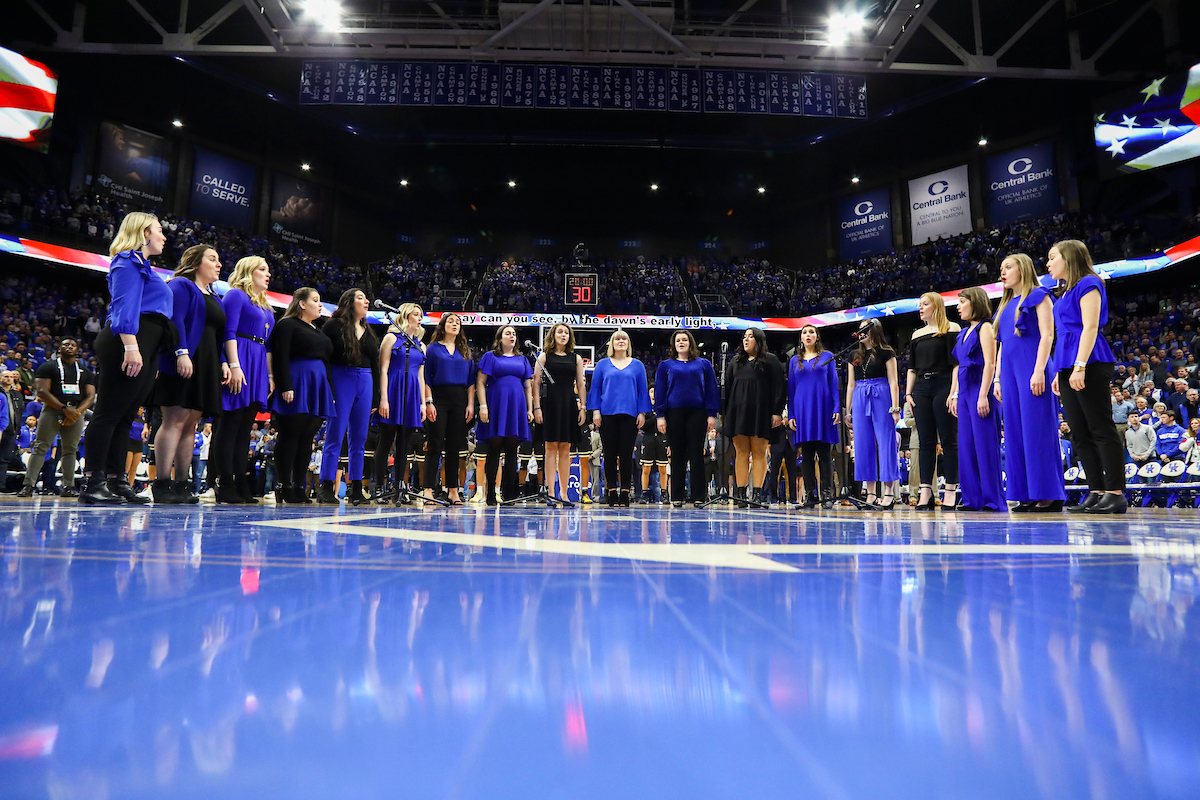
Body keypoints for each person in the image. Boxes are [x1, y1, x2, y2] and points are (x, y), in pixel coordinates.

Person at [80, 212, 172, 505]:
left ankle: (116, 480)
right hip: (128, 340)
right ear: (144, 232)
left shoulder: (143, 265)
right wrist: (132, 347)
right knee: (108, 413)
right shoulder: (127, 261)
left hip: (144, 342)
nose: (164, 236)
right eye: (159, 230)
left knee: (125, 417)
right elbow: (123, 306)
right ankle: (92, 481)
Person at [1049, 240, 1127, 514]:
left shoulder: (1088, 283)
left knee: (1100, 427)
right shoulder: (1063, 292)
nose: (1048, 264)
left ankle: (1115, 492)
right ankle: (1096, 491)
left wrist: (1080, 365)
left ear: (1068, 259)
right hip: (1067, 363)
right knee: (1079, 432)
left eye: (1052, 258)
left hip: (1089, 360)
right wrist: (1060, 371)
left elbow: (1090, 325)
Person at [150, 245, 225, 504]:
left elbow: (219, 335)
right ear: (195, 263)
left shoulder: (214, 296)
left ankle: (182, 485)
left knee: (191, 424)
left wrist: (224, 362)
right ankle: (161, 484)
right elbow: (175, 319)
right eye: (212, 259)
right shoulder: (181, 285)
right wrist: (181, 352)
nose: (218, 264)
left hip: (206, 363)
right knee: (174, 420)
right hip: (183, 359)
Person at [993, 253, 1066, 512]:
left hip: (1033, 367)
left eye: (1008, 267)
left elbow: (1048, 335)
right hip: (1010, 373)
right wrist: (998, 378)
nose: (1002, 271)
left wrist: (1038, 371)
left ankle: (1047, 494)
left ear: (1022, 269)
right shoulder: (1004, 305)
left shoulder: (1039, 295)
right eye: (1001, 268)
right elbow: (1002, 345)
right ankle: (1024, 492)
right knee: (1014, 432)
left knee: (1038, 431)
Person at [213, 256, 274, 504]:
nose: (267, 274)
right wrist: (233, 365)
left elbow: (268, 344)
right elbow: (227, 332)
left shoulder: (266, 306)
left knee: (244, 430)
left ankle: (241, 484)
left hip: (258, 362)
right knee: (230, 426)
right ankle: (223, 483)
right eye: (262, 269)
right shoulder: (235, 295)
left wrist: (269, 375)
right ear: (248, 271)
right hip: (241, 358)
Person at [269, 288, 335, 504]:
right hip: (297, 382)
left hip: (317, 384)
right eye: (315, 300)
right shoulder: (287, 325)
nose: (320, 304)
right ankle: (283, 485)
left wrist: (331, 391)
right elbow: (281, 355)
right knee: (290, 435)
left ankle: (299, 486)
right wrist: (285, 385)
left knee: (307, 438)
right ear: (302, 304)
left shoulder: (319, 330)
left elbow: (326, 362)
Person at [318, 289, 377, 505]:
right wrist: (329, 387)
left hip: (366, 380)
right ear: (348, 302)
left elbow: (376, 364)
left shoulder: (368, 330)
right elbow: (325, 357)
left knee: (359, 438)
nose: (366, 301)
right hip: (341, 378)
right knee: (335, 434)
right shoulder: (333, 326)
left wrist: (377, 397)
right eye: (360, 297)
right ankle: (325, 486)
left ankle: (356, 488)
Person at [15, 338, 94, 498]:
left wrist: (77, 412)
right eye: (65, 344)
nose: (69, 346)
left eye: (73, 345)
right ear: (59, 348)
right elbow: (42, 392)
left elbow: (91, 396)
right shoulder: (48, 366)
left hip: (76, 411)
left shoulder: (84, 370)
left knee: (70, 450)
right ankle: (28, 485)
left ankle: (69, 487)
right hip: (52, 410)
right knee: (40, 447)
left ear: (77, 349)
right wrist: (65, 409)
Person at [949, 287, 1004, 511]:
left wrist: (984, 394)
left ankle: (992, 500)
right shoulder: (962, 333)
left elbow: (990, 363)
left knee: (985, 446)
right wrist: (954, 394)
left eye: (962, 302)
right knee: (966, 446)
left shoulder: (986, 327)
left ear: (975, 302)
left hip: (980, 390)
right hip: (964, 393)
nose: (958, 306)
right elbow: (957, 366)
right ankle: (972, 499)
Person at [905, 292, 960, 510]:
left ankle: (950, 490)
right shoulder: (916, 334)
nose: (921, 308)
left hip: (943, 385)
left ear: (936, 306)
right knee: (925, 441)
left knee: (948, 439)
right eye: (920, 305)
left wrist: (953, 392)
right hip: (921, 388)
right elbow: (911, 367)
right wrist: (908, 394)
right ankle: (925, 490)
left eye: (925, 304)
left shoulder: (951, 328)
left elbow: (955, 365)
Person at [654, 329, 720, 507]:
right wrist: (660, 415)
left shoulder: (704, 364)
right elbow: (659, 391)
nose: (681, 342)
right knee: (677, 455)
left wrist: (711, 414)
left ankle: (699, 496)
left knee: (697, 453)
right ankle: (676, 496)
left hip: (697, 413)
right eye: (678, 340)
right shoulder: (665, 366)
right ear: (674, 345)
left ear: (690, 342)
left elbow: (712, 390)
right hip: (674, 413)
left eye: (684, 339)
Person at [587, 329, 652, 507]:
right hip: (607, 414)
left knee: (625, 454)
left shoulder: (637, 365)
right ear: (612, 343)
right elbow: (596, 389)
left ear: (628, 343)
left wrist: (642, 412)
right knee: (609, 454)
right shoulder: (602, 364)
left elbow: (642, 390)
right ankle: (611, 491)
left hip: (630, 414)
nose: (621, 341)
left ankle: (624, 492)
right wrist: (595, 411)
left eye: (624, 338)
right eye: (617, 339)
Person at [723, 327, 785, 507]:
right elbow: (727, 387)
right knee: (741, 452)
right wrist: (725, 413)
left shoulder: (771, 360)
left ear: (759, 340)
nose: (746, 339)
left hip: (761, 411)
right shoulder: (735, 361)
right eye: (744, 336)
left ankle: (757, 493)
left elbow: (779, 388)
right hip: (738, 411)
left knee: (759, 452)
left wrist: (776, 412)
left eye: (750, 336)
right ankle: (741, 493)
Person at [845, 319, 901, 510]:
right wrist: (849, 410)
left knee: (886, 443)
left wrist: (895, 408)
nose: (861, 333)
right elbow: (851, 384)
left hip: (881, 393)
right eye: (859, 330)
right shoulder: (854, 355)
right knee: (863, 445)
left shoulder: (887, 352)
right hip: (860, 395)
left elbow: (893, 381)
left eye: (865, 330)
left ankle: (888, 492)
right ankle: (869, 493)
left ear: (874, 331)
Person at [375, 303, 427, 505]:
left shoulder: (420, 345)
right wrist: (384, 397)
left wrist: (422, 403)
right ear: (405, 315)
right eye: (416, 314)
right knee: (385, 441)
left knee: (404, 446)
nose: (420, 317)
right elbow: (383, 369)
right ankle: (379, 486)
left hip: (412, 394)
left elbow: (421, 377)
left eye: (421, 314)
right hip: (393, 390)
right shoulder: (391, 338)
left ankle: (399, 487)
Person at [422, 312, 476, 505]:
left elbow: (471, 382)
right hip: (438, 397)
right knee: (435, 445)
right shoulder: (433, 349)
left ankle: (453, 490)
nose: (454, 324)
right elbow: (426, 377)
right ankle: (428, 490)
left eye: (457, 322)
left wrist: (470, 404)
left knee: (454, 447)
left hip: (460, 399)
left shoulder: (466, 351)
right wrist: (429, 402)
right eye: (451, 321)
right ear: (443, 325)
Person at [475, 325, 534, 505]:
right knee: (494, 449)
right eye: (508, 333)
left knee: (512, 451)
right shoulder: (490, 357)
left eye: (514, 334)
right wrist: (483, 406)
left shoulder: (522, 359)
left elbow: (528, 386)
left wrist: (530, 409)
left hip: (516, 405)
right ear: (500, 338)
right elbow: (480, 381)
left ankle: (510, 494)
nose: (512, 336)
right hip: (496, 403)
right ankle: (491, 493)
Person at [787, 324, 842, 508]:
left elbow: (834, 383)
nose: (808, 335)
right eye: (804, 332)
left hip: (823, 408)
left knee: (825, 454)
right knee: (807, 455)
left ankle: (827, 493)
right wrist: (792, 414)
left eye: (811, 332)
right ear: (801, 338)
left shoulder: (827, 357)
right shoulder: (794, 360)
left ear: (817, 337)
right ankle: (811, 494)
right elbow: (791, 389)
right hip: (802, 410)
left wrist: (836, 407)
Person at [533, 323, 585, 504]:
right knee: (549, 448)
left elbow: (580, 384)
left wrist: (583, 407)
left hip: (568, 404)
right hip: (549, 405)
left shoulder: (576, 358)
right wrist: (537, 407)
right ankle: (550, 491)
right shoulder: (544, 356)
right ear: (552, 335)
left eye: (566, 332)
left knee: (565, 449)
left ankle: (564, 493)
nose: (563, 335)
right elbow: (536, 383)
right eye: (560, 332)